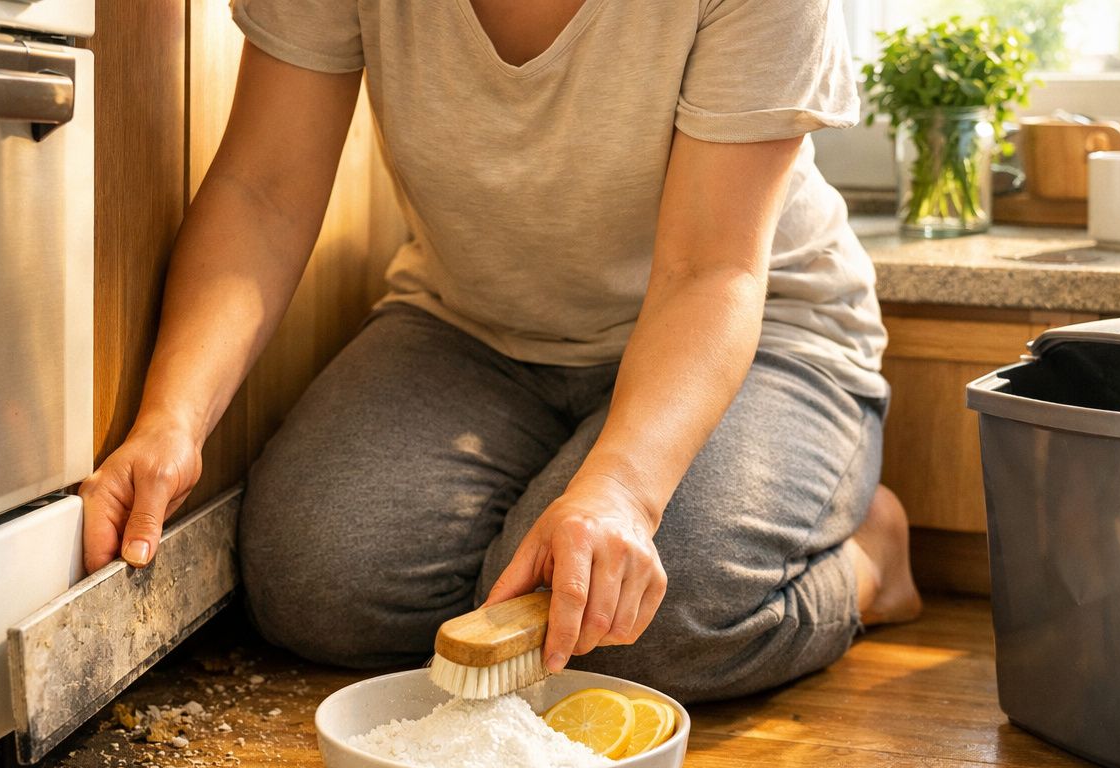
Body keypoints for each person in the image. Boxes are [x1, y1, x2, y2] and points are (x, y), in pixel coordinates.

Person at [79, 0, 921, 704]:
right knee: (316, 583)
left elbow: (710, 271)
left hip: (759, 331)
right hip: (474, 325)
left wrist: (621, 490)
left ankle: (871, 561)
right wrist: (171, 420)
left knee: (630, 631)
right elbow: (262, 189)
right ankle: (555, 487)